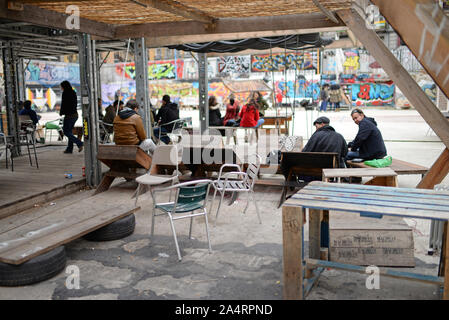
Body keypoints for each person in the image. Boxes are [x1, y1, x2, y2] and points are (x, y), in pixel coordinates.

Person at [60, 80, 83, 154]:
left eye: (61, 86)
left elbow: (64, 104)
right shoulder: (73, 92)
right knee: (69, 131)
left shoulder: (65, 93)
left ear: (64, 86)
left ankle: (79, 143)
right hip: (75, 115)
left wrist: (61, 112)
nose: (61, 88)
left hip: (69, 115)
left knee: (66, 132)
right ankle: (69, 149)